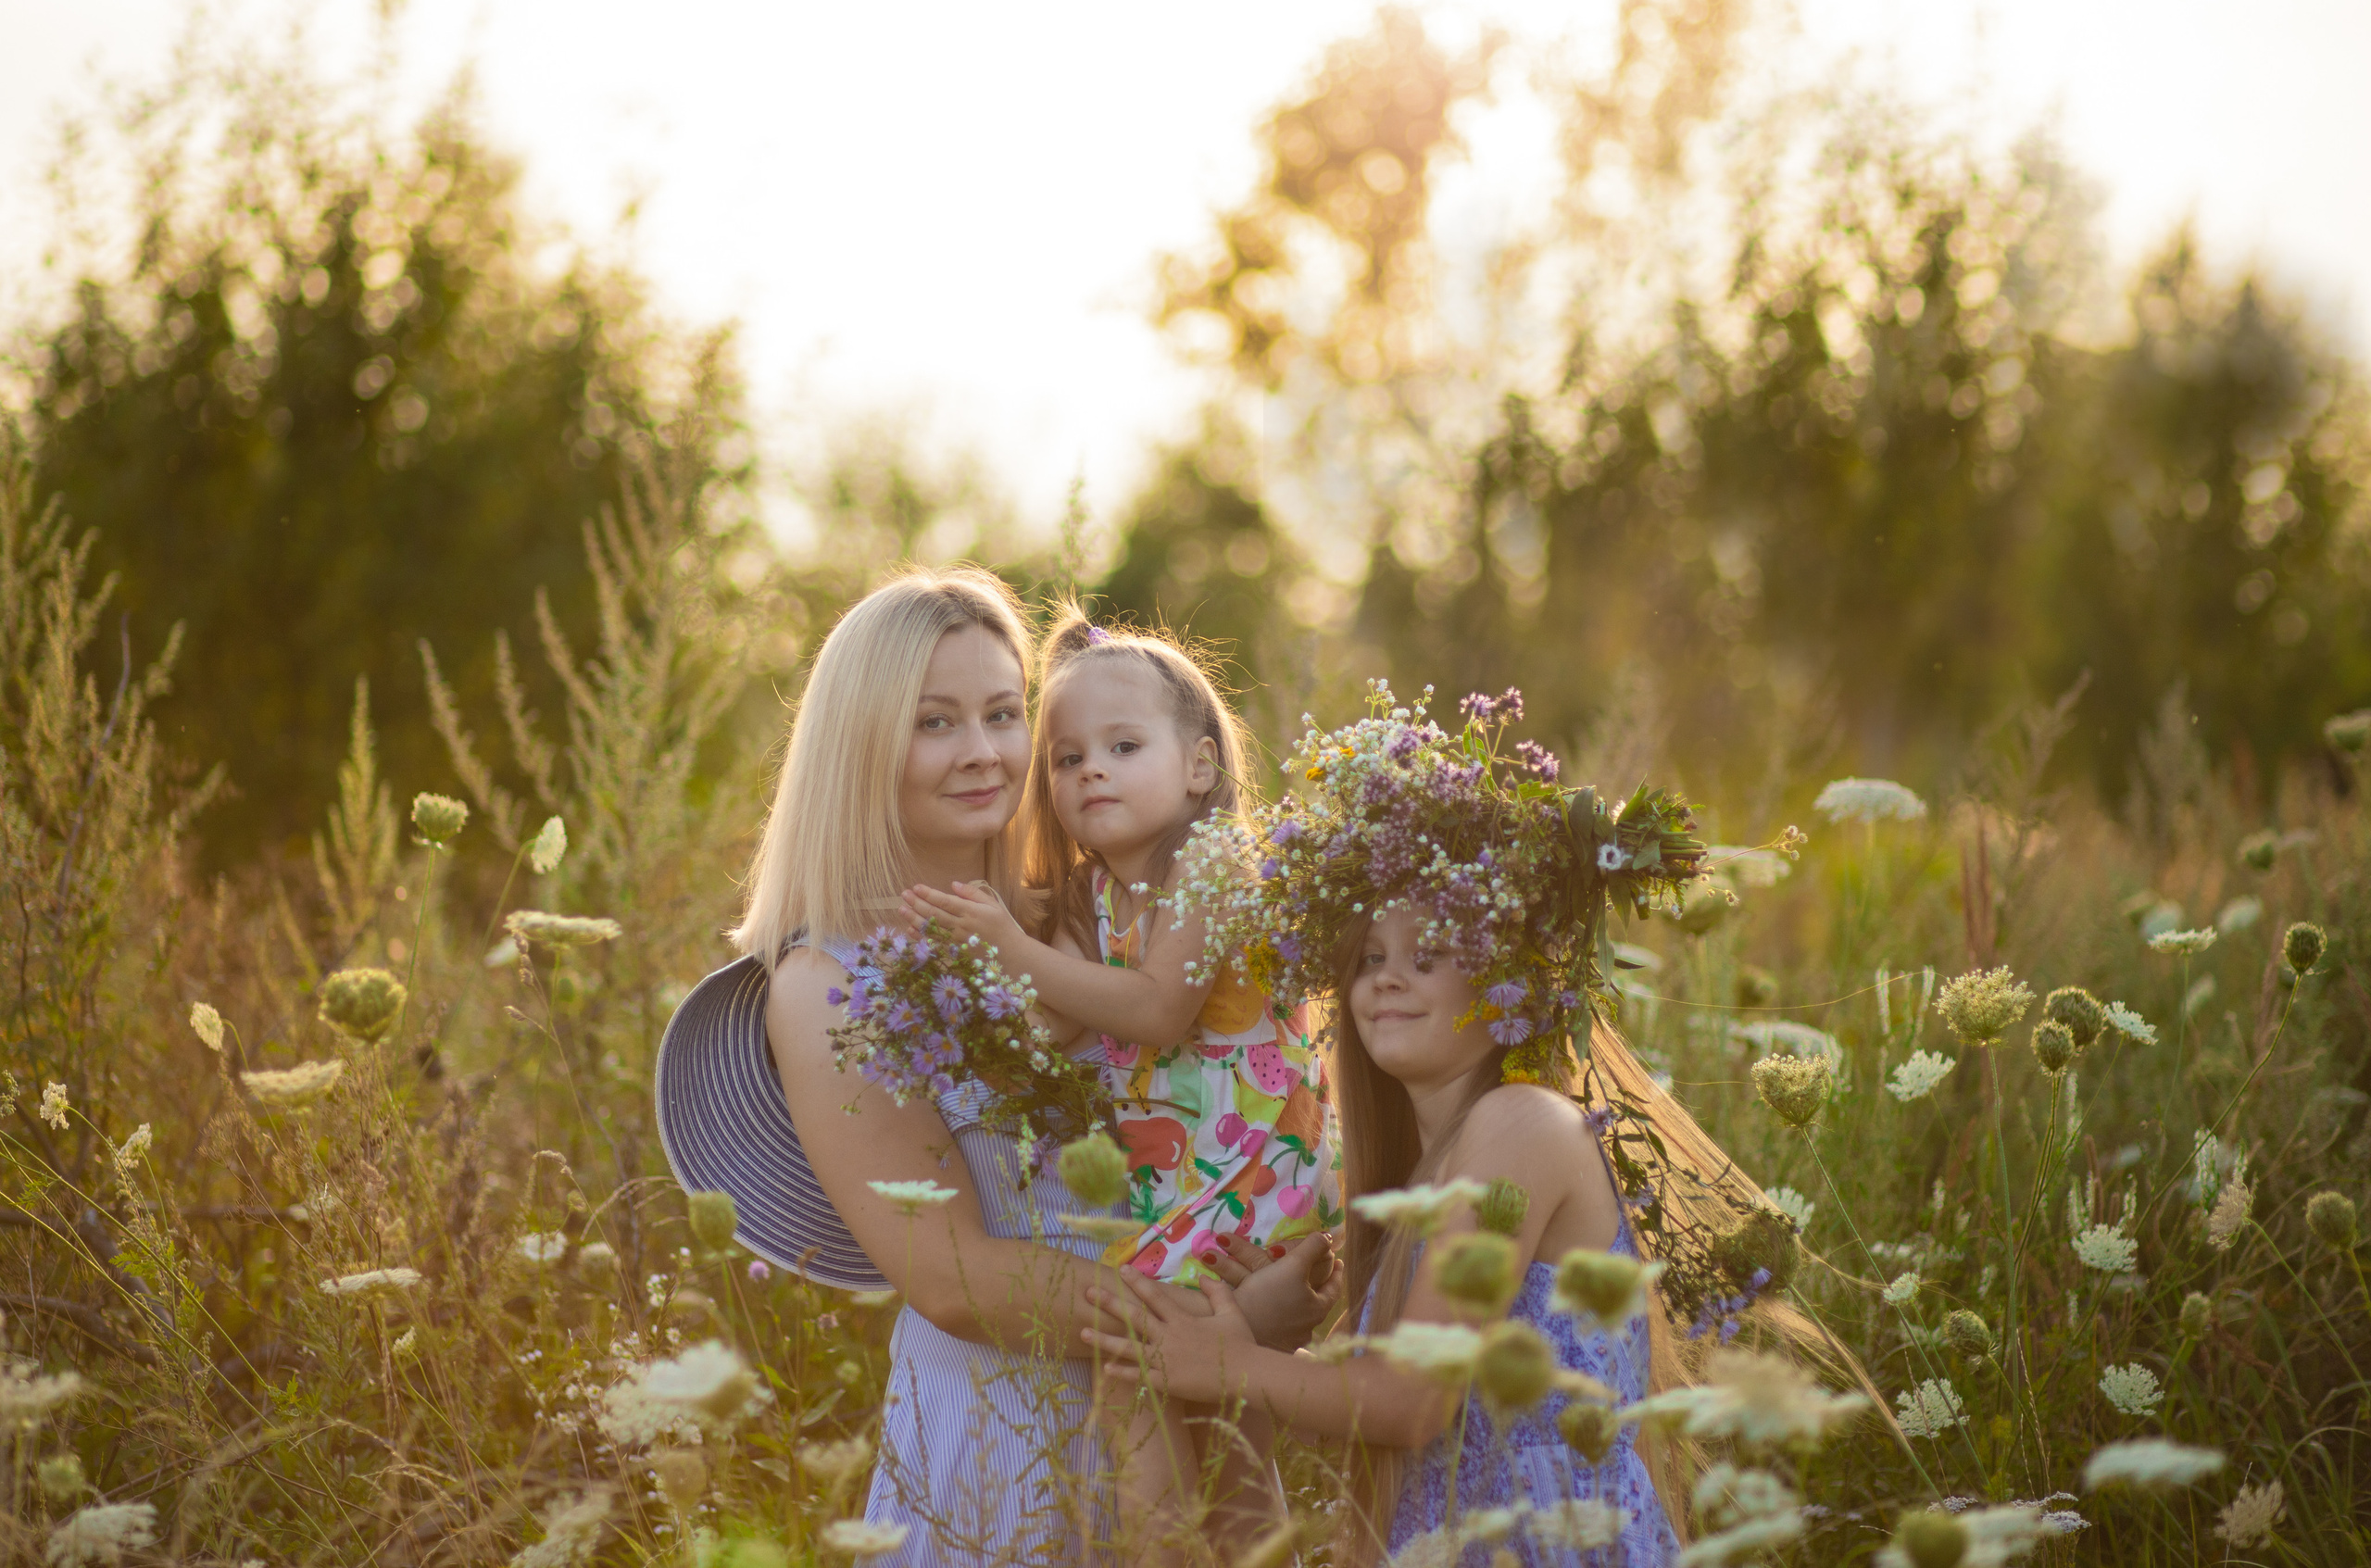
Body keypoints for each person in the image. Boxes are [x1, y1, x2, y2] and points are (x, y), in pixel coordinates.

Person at [676, 567, 1331, 1565]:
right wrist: (1214, 1321)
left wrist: (1293, 1271)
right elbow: (950, 1274)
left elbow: (1252, 1068)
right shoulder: (825, 979)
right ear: (861, 745)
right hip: (1005, 1422)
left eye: (999, 713)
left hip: (1189, 1393)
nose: (983, 751)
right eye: (935, 722)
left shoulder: (1082, 898)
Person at [898, 608, 1341, 1549]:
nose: (1088, 768)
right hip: (1173, 1178)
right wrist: (982, 958)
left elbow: (1150, 1010)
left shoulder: (1217, 864)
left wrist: (1012, 946)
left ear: (1199, 767)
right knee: (1173, 1406)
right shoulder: (1095, 892)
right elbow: (1063, 1019)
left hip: (1246, 1173)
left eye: (1122, 745)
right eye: (1063, 758)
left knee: (1175, 1401)